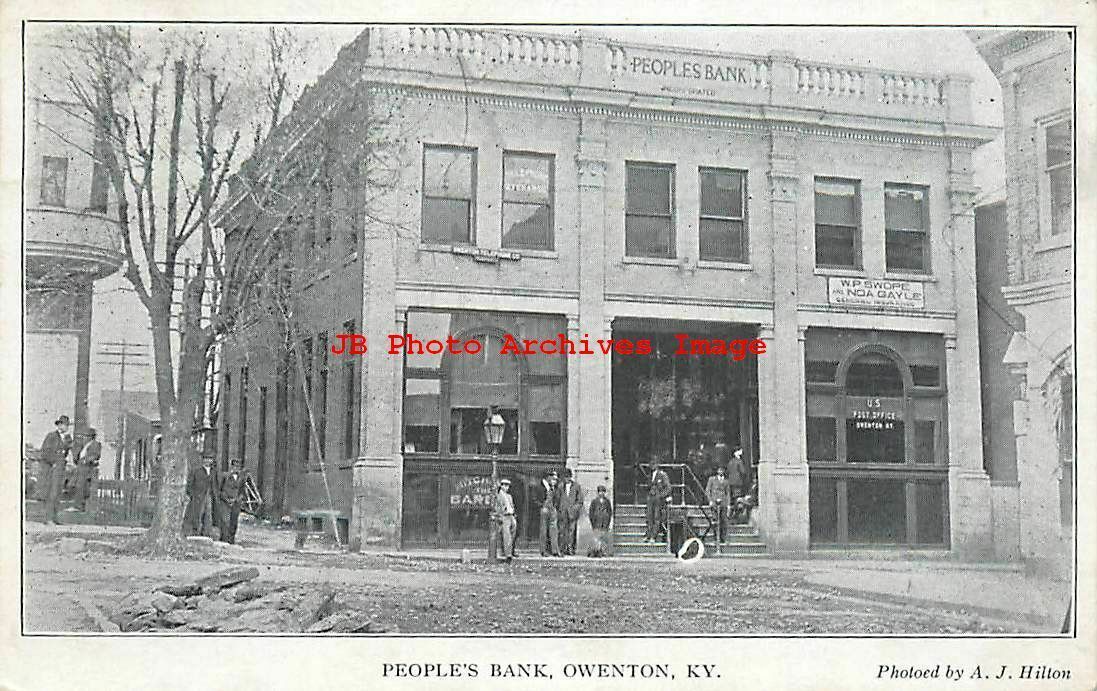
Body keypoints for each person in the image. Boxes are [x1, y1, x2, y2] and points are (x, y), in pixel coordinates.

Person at [39, 415, 73, 524]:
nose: (66, 427)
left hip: (61, 468)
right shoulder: (51, 436)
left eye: (67, 425)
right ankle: (48, 518)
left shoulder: (67, 438)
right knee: (51, 493)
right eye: (63, 424)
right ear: (58, 425)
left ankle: (55, 517)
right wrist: (53, 462)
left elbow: (66, 453)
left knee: (58, 493)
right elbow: (45, 451)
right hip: (52, 469)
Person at [184, 454, 217, 537]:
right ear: (203, 460)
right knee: (197, 514)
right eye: (206, 458)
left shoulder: (214, 472)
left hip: (209, 496)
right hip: (198, 497)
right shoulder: (196, 471)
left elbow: (216, 485)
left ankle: (206, 533)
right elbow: (189, 485)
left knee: (208, 515)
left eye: (210, 459)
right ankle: (195, 533)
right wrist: (193, 495)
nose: (208, 461)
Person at [555, 468, 584, 556]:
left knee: (572, 531)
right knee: (562, 531)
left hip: (572, 513)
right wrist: (559, 509)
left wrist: (575, 508)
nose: (566, 479)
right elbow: (557, 499)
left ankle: (571, 549)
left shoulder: (576, 486)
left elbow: (580, 500)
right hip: (562, 512)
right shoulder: (560, 486)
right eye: (565, 477)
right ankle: (562, 549)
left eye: (568, 477)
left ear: (570, 477)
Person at [217, 458, 246, 544]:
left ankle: (231, 540)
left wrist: (237, 499)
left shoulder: (242, 478)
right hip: (225, 502)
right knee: (225, 521)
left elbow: (242, 491)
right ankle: (224, 539)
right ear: (231, 466)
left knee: (234, 521)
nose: (236, 468)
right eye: (234, 466)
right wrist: (226, 499)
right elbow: (220, 490)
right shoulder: (225, 476)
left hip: (236, 503)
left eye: (238, 467)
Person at [74, 428, 102, 512]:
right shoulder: (84, 445)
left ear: (91, 437)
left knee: (84, 488)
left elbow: (95, 455)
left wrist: (85, 460)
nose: (84, 438)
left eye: (86, 436)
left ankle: (82, 506)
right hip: (80, 468)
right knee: (79, 487)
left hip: (87, 469)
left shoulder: (96, 444)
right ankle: (78, 505)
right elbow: (78, 455)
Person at [644, 462, 672, 542]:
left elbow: (668, 488)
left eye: (654, 464)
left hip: (658, 499)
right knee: (649, 517)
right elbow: (648, 486)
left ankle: (653, 536)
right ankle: (648, 535)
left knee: (656, 517)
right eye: (651, 464)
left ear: (657, 465)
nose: (651, 466)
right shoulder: (649, 476)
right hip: (650, 498)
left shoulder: (662, 475)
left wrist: (661, 496)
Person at [536, 470, 561, 557]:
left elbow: (556, 498)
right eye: (553, 478)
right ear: (548, 477)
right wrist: (541, 505)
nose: (554, 480)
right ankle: (543, 550)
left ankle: (555, 550)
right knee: (543, 530)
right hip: (544, 509)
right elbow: (534, 499)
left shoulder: (553, 487)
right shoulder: (539, 486)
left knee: (554, 530)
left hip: (552, 509)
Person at [705, 465, 732, 543]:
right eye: (719, 470)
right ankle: (716, 538)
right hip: (714, 503)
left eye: (722, 470)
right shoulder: (712, 479)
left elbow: (728, 494)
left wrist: (729, 504)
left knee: (724, 521)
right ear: (717, 471)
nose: (721, 471)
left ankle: (723, 538)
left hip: (723, 503)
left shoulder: (726, 481)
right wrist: (710, 500)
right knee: (715, 520)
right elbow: (707, 490)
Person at [492, 478, 517, 562]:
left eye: (508, 486)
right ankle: (508, 554)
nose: (507, 487)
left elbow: (512, 505)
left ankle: (510, 551)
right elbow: (497, 507)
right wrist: (500, 516)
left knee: (513, 534)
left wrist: (513, 514)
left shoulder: (509, 496)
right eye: (505, 485)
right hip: (504, 516)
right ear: (501, 486)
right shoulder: (498, 496)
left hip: (511, 515)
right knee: (507, 536)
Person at [587, 485, 613, 557]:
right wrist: (592, 521)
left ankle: (603, 551)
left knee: (603, 537)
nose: (601, 493)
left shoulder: (607, 501)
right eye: (600, 492)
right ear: (598, 493)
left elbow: (609, 512)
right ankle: (595, 551)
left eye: (603, 492)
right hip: (596, 522)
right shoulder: (594, 501)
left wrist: (608, 521)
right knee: (596, 537)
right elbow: (591, 512)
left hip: (604, 522)